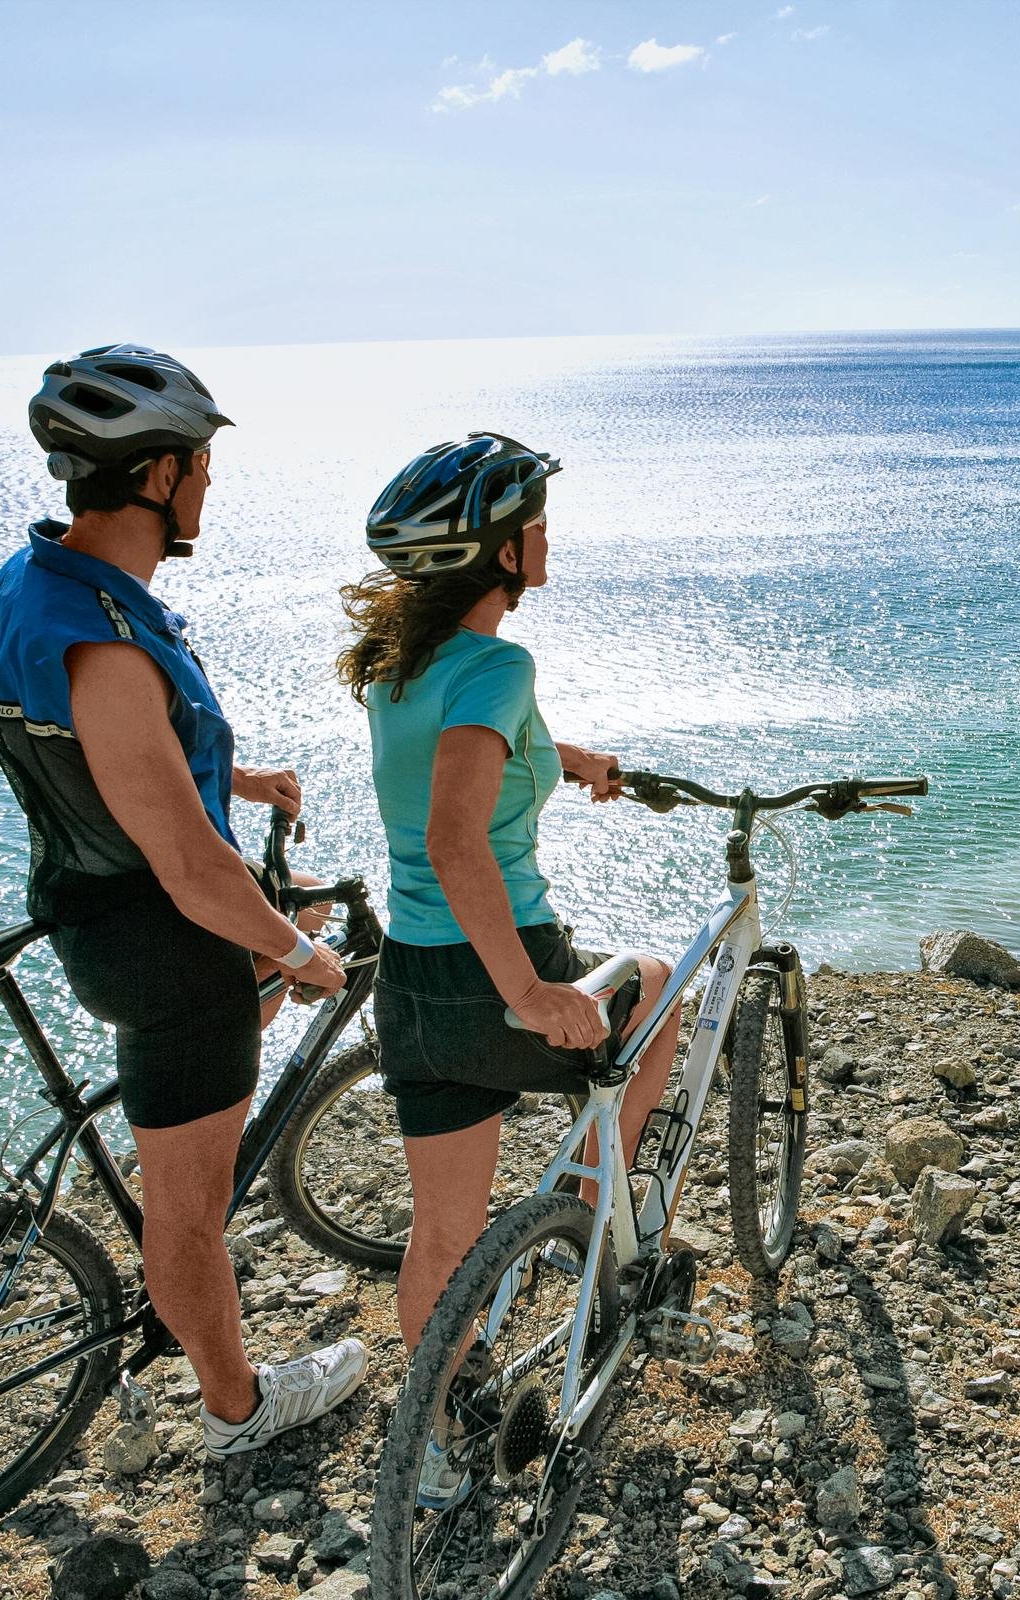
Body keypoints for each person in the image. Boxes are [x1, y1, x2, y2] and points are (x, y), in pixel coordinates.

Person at [0, 343, 367, 1455]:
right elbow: (195, 872)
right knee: (186, 1214)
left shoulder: (38, 586)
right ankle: (238, 1406)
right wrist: (295, 949)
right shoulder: (108, 642)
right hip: (165, 940)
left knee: (211, 1089)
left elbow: (97, 756)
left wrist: (229, 776)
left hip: (87, 901)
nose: (209, 485)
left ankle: (179, 1249)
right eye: (200, 464)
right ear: (157, 476)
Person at [337, 432, 684, 1503]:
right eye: (532, 519)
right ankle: (601, 1219)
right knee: (662, 983)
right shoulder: (499, 662)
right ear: (495, 550)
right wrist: (532, 992)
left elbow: (464, 751)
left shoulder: (407, 668)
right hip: (503, 966)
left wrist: (565, 757)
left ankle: (442, 1434)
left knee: (440, 1234)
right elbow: (457, 837)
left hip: (414, 987)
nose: (547, 534)